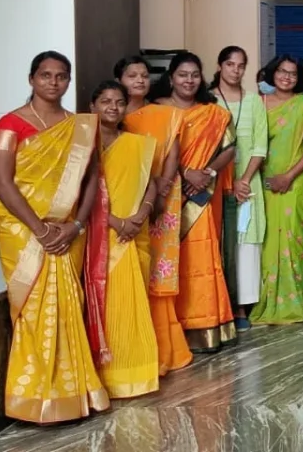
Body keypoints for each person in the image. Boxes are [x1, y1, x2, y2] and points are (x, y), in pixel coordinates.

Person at [0, 52, 108, 423]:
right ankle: (32, 397)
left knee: (67, 308)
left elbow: (92, 179)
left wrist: (76, 226)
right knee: (33, 309)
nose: (53, 82)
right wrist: (40, 230)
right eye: (45, 75)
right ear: (32, 79)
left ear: (68, 81)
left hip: (66, 230)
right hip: (23, 231)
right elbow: (1, 182)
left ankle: (72, 395)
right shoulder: (9, 125)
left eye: (61, 76)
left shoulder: (80, 127)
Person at [148, 52, 239, 354]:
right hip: (166, 196)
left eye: (195, 75)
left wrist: (207, 173)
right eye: (183, 74)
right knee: (167, 261)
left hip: (202, 196)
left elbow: (230, 148)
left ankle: (204, 326)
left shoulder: (213, 113)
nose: (189, 80)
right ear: (171, 77)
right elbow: (148, 149)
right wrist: (186, 172)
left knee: (200, 259)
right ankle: (169, 330)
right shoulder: (156, 110)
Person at [84, 80, 160, 400]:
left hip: (134, 231)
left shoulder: (135, 144)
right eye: (106, 101)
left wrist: (142, 214)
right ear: (92, 106)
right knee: (108, 303)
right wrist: (115, 222)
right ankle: (109, 375)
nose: (113, 108)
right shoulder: (84, 144)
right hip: (101, 235)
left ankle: (137, 372)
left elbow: (150, 183)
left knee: (133, 303)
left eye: (118, 102)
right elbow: (82, 191)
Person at [118, 56, 191, 374]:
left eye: (144, 75)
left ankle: (165, 349)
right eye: (132, 75)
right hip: (122, 201)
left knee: (158, 271)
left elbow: (173, 154)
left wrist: (160, 192)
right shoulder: (111, 114)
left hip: (161, 197)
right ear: (119, 80)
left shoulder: (165, 114)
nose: (139, 80)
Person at [250, 56, 303, 324]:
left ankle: (293, 301)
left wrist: (289, 176)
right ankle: (265, 300)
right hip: (265, 182)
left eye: (293, 73)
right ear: (272, 73)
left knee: (293, 240)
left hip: (296, 182)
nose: (286, 77)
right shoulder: (258, 103)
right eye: (282, 71)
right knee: (267, 240)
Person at [209, 45, 268, 331]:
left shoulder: (254, 101)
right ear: (220, 66)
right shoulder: (208, 101)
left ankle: (242, 305)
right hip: (215, 180)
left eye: (241, 65)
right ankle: (218, 304)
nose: (236, 70)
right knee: (216, 240)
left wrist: (243, 180)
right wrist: (226, 179)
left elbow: (260, 145)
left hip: (248, 182)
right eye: (230, 64)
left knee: (245, 242)